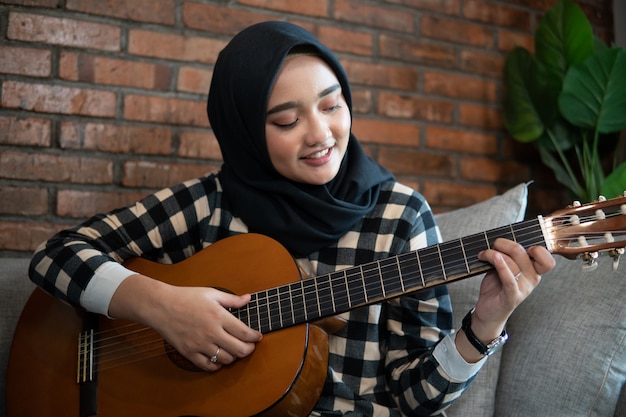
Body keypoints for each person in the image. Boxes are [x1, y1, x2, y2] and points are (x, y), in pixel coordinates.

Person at [29, 21, 555, 416]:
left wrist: (483, 326)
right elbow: (55, 257)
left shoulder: (400, 216)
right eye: (286, 119)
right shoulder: (212, 203)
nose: (320, 133)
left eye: (332, 105)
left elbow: (416, 398)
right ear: (244, 132)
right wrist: (163, 307)